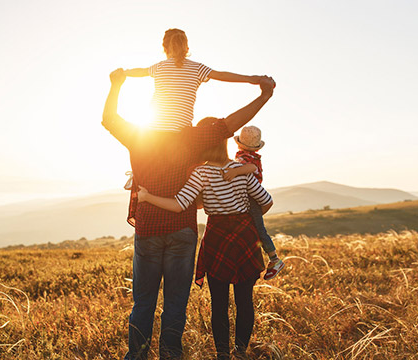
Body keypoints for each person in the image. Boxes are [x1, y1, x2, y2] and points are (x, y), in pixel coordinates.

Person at [102, 68, 275, 360]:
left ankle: (137, 356)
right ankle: (171, 355)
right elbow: (233, 123)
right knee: (175, 303)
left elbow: (109, 119)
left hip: (148, 230)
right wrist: (264, 94)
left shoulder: (139, 135)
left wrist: (116, 85)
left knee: (143, 302)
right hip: (182, 231)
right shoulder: (194, 138)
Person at [136, 120, 273, 359]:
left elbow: (178, 205)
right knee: (245, 301)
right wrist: (244, 217)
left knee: (219, 303)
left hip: (217, 237)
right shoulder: (241, 168)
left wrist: (147, 197)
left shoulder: (201, 172)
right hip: (244, 237)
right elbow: (267, 201)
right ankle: (240, 352)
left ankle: (222, 355)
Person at [124, 28, 266, 131]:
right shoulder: (197, 68)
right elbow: (222, 75)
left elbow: (140, 72)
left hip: (154, 130)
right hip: (181, 131)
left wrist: (123, 73)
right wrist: (251, 79)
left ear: (165, 48)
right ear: (186, 48)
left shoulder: (159, 67)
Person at [222, 125, 285, 279]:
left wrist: (235, 171)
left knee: (258, 229)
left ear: (239, 143)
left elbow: (250, 168)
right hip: (250, 197)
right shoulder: (249, 156)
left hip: (251, 197)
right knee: (254, 227)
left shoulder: (247, 159)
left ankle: (274, 259)